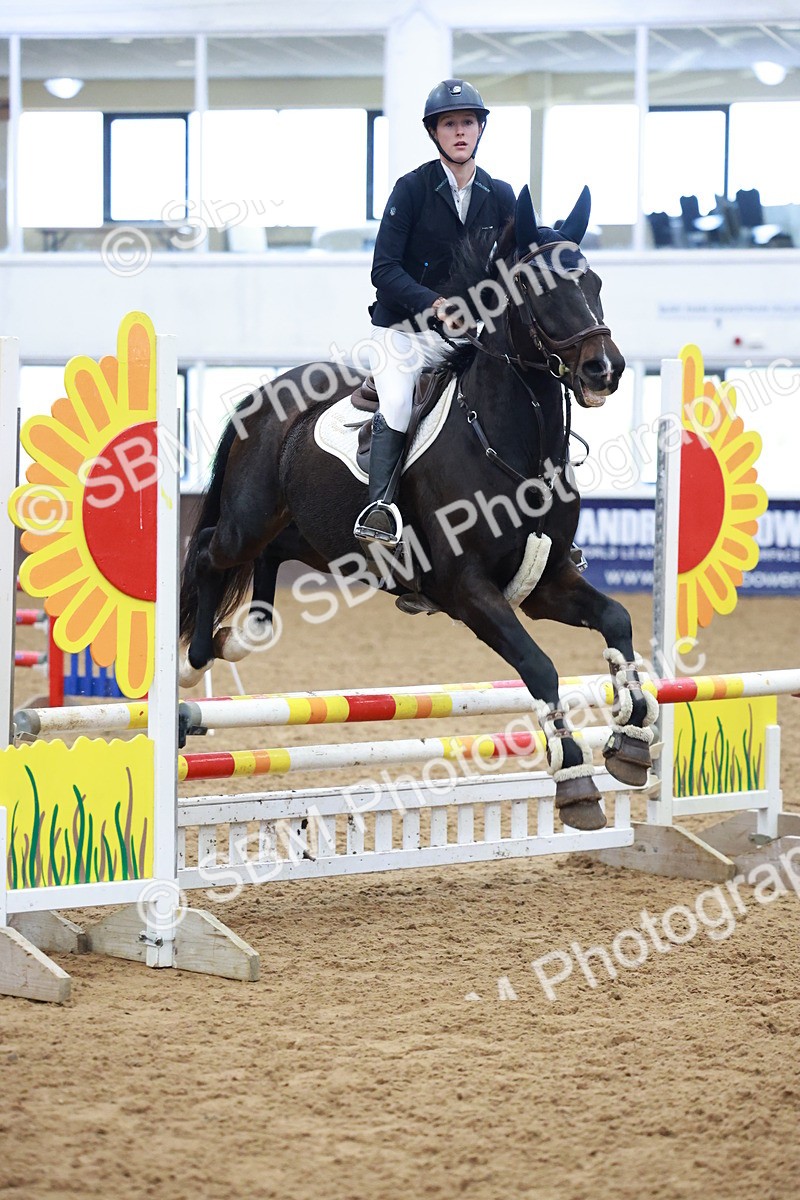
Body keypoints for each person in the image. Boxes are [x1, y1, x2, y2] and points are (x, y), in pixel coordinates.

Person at [354, 78, 516, 548]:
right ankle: (381, 508)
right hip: (403, 332)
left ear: (480, 129)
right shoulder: (411, 190)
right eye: (450, 124)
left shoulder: (500, 195)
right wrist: (435, 303)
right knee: (400, 404)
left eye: (468, 122)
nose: (460, 132)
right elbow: (383, 270)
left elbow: (509, 272)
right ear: (435, 134)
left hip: (468, 336)